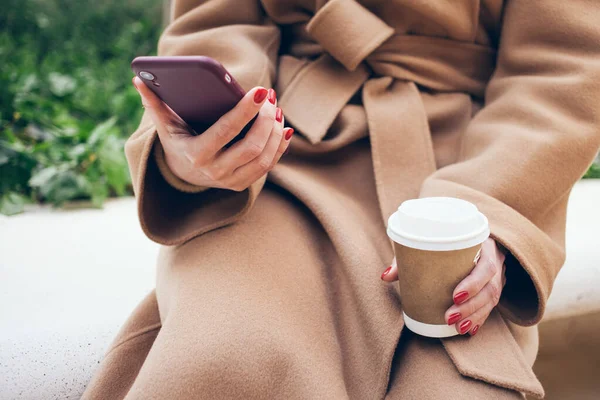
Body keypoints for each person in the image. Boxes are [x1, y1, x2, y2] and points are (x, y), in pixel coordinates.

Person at [83, 0, 600, 398]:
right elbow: (214, 25)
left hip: (464, 172)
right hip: (277, 160)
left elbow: (564, 66)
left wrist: (491, 208)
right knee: (229, 358)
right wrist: (212, 135)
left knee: (452, 386)